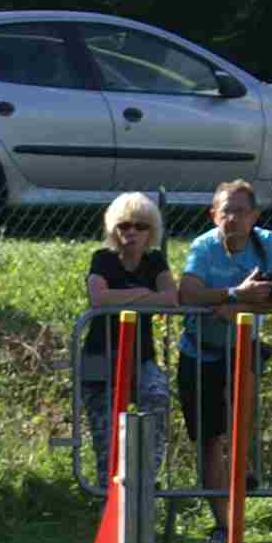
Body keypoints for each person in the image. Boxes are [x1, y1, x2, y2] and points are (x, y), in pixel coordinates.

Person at [171, 181, 272, 543]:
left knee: (239, 419)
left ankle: (243, 463)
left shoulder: (266, 242)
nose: (233, 218)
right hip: (198, 350)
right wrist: (234, 293)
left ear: (254, 215)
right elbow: (187, 294)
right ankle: (224, 526)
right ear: (213, 215)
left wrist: (236, 308)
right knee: (208, 439)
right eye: (226, 211)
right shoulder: (202, 246)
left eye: (241, 211)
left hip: (242, 346)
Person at [77, 191, 180, 486]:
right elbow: (98, 298)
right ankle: (107, 496)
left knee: (158, 398)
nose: (131, 232)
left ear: (151, 231)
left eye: (140, 226)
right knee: (106, 436)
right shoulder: (102, 259)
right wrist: (144, 294)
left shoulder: (155, 261)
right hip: (99, 358)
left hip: (140, 357)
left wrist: (122, 297)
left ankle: (145, 477)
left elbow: (171, 298)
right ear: (113, 228)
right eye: (124, 225)